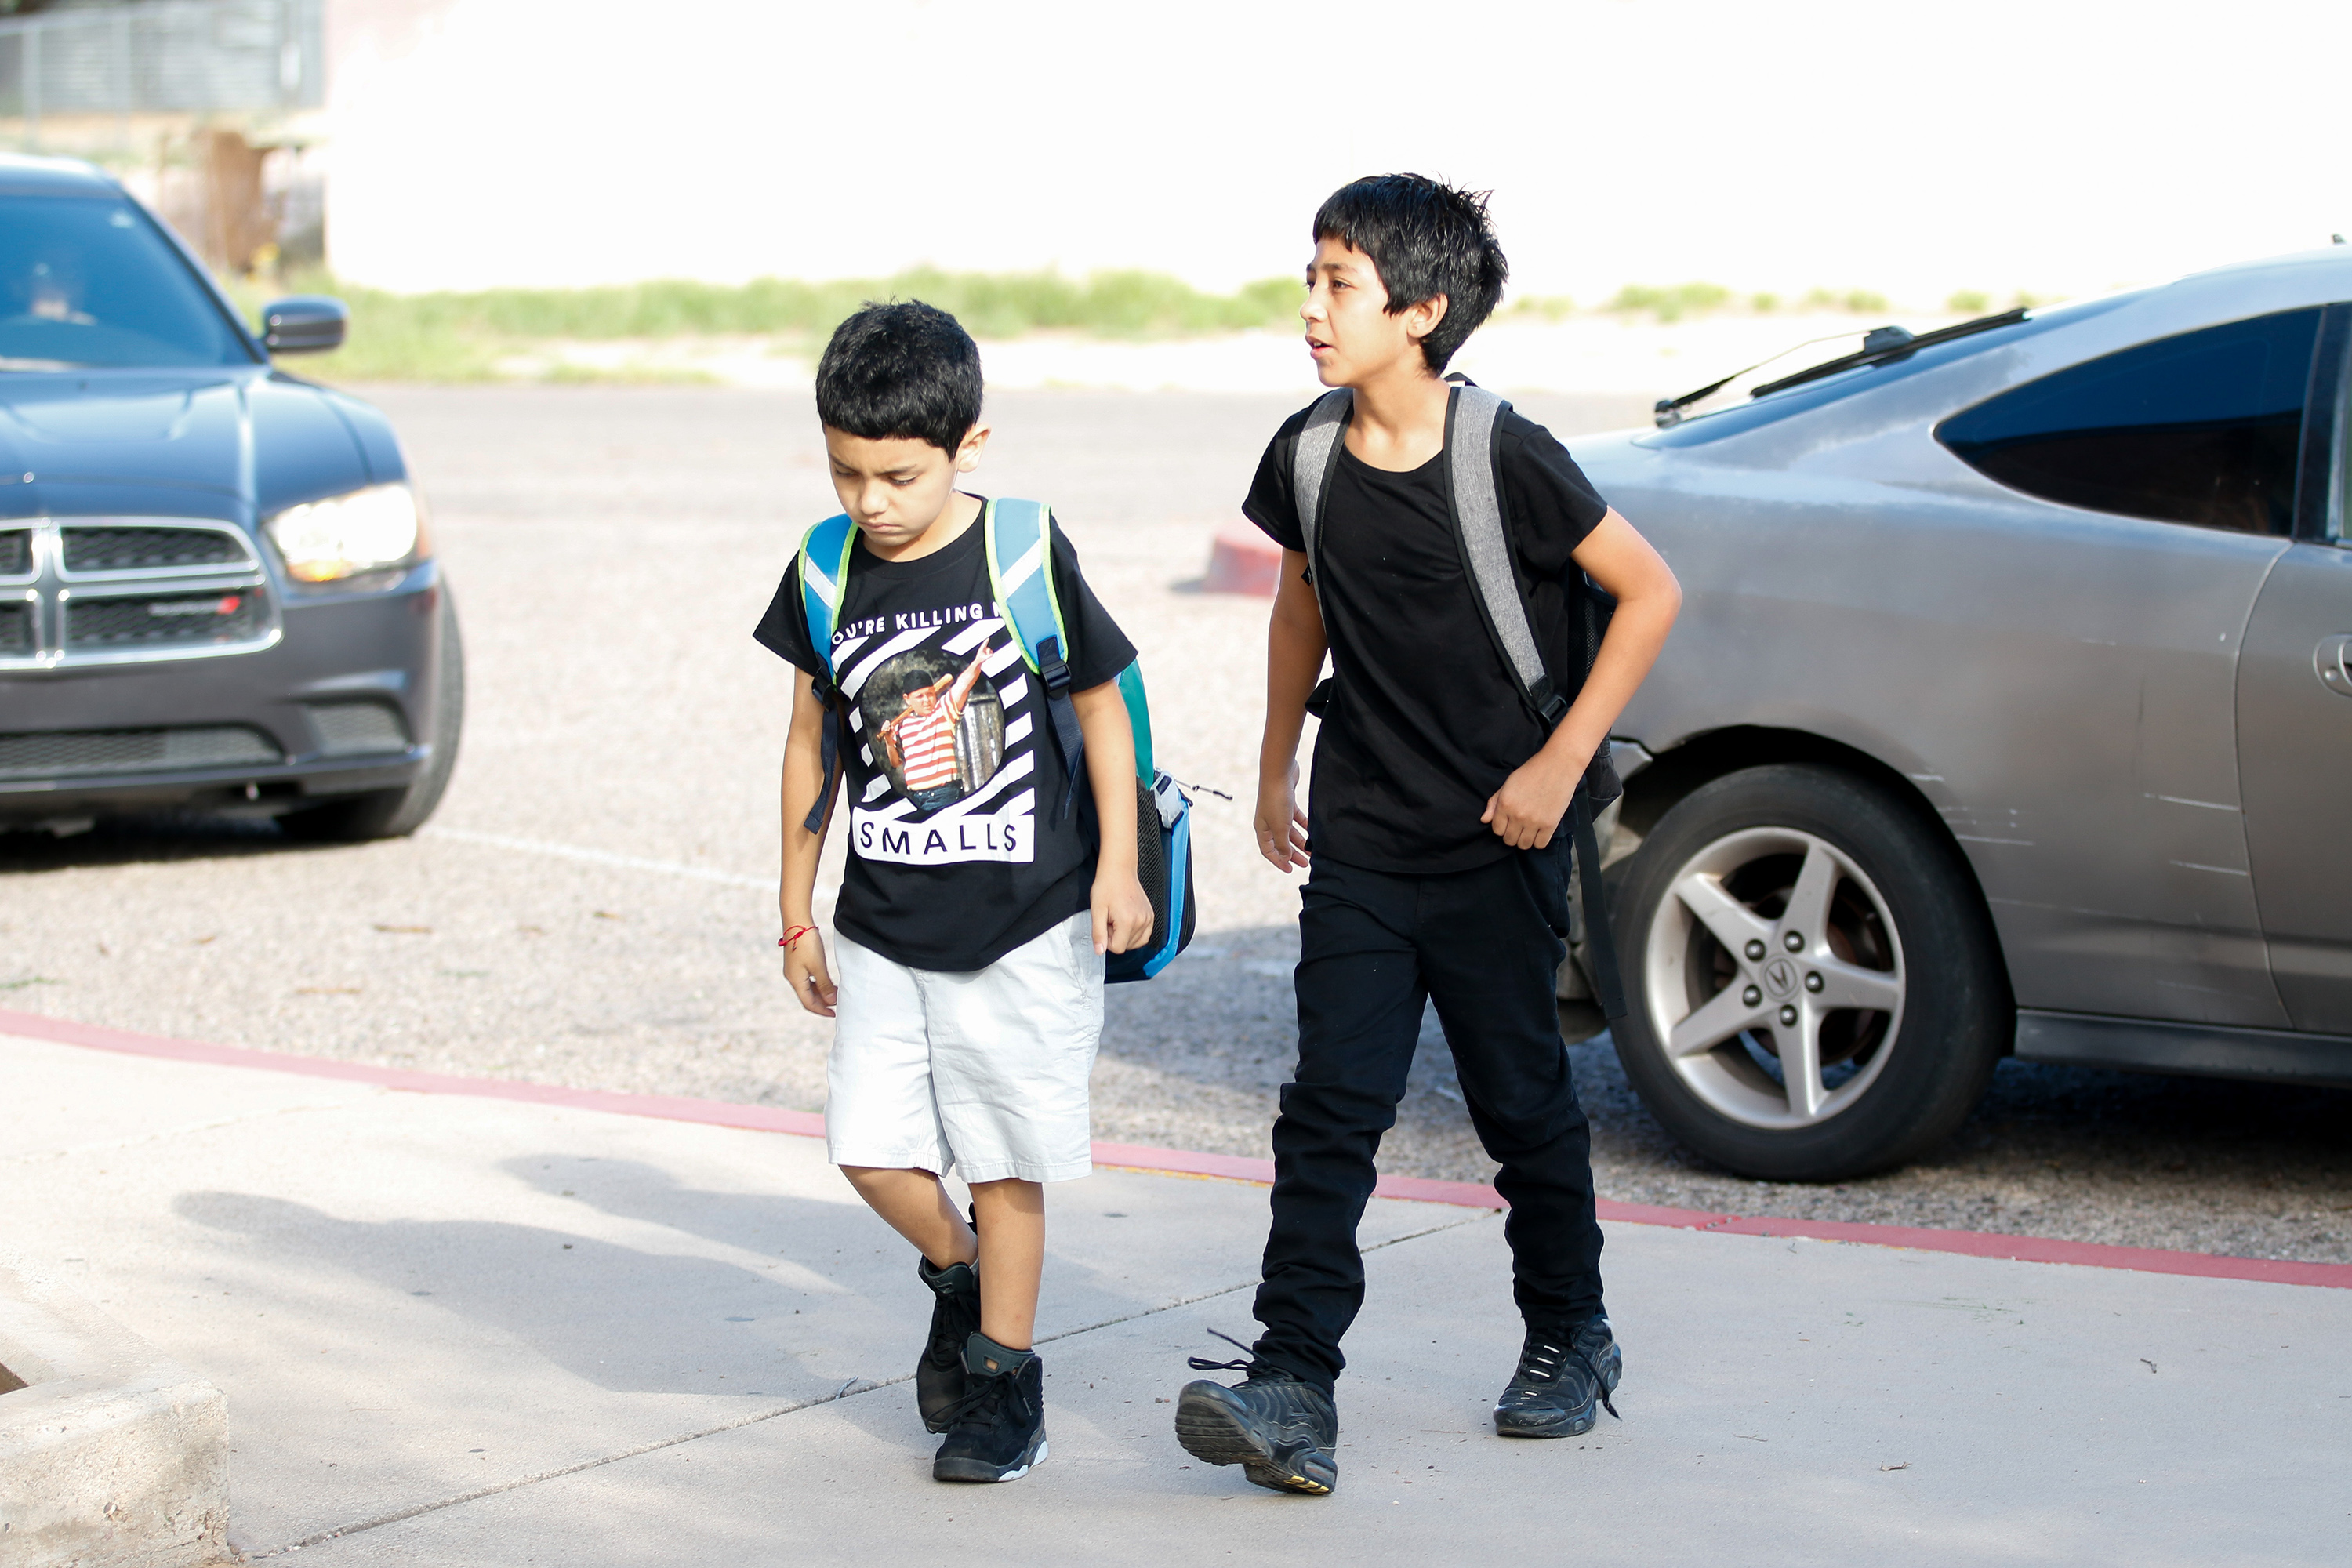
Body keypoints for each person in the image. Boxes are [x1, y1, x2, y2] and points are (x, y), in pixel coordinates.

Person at [1173, 175, 1682, 1495]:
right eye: (1314, 277)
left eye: (1339, 284)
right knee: (1331, 1109)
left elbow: (1651, 591)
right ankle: (1292, 1380)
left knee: (1521, 1108)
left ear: (1421, 310)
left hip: (1500, 841)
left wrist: (1558, 768)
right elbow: (1301, 607)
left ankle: (1574, 1334)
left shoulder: (1505, 454)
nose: (1312, 309)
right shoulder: (1303, 451)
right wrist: (1278, 760)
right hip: (1363, 837)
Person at [754, 301, 1153, 1484]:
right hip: (883, 919)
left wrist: (1118, 865)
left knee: (1004, 1157)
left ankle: (1003, 1385)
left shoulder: (1020, 549)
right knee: (867, 1152)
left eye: (897, 476)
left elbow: (1103, 706)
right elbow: (804, 744)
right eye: (845, 473)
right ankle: (961, 1276)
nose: (870, 502)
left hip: (1025, 918)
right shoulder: (824, 570)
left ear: (968, 444)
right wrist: (794, 907)